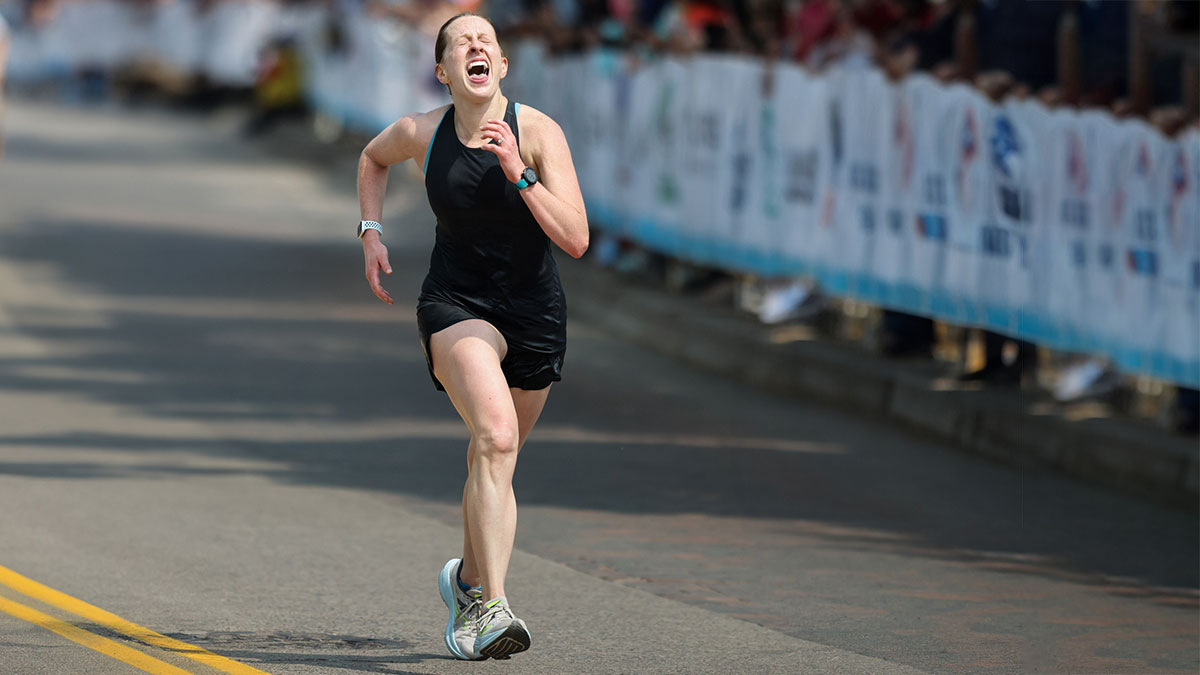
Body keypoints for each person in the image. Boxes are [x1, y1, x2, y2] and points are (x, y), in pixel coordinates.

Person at [355, 12, 588, 661]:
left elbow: (575, 237)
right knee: (496, 434)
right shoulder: (422, 133)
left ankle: (464, 583)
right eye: (461, 42)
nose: (476, 45)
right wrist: (369, 230)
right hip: (456, 303)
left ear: (503, 66)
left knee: (496, 460)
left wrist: (519, 169)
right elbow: (373, 158)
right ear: (443, 71)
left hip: (535, 312)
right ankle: (493, 608)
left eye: (486, 40)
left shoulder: (537, 131)